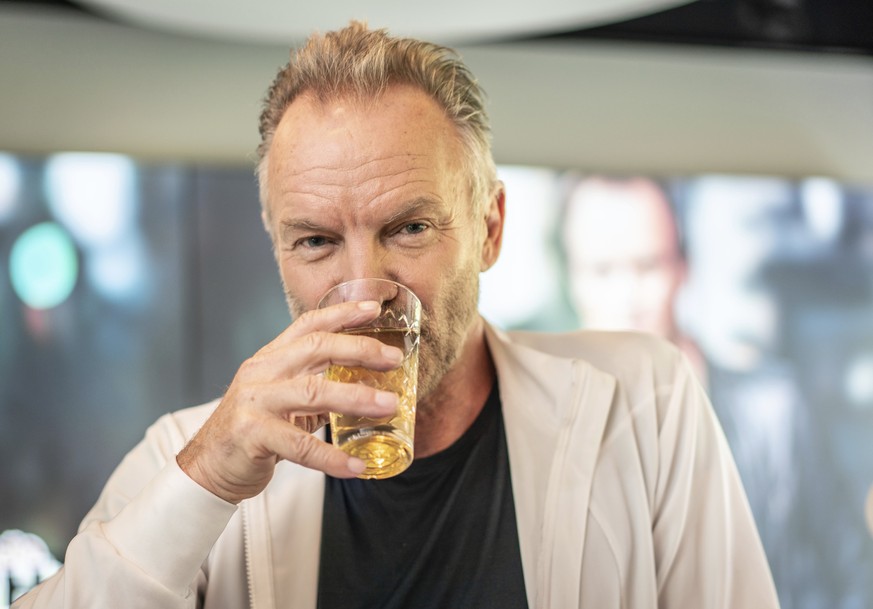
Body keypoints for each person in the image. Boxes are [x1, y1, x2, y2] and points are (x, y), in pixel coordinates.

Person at [15, 21, 779, 609]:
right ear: (277, 249)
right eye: (316, 240)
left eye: (408, 228)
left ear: (489, 227)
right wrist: (207, 479)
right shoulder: (191, 454)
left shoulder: (640, 402)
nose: (364, 287)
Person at [560, 175, 707, 385]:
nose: (627, 297)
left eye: (648, 266)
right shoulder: (529, 402)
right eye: (602, 270)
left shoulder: (760, 402)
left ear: (683, 267)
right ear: (570, 278)